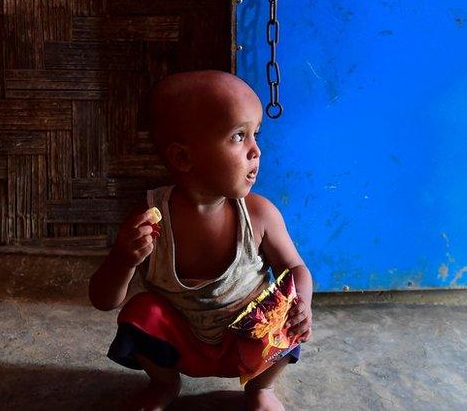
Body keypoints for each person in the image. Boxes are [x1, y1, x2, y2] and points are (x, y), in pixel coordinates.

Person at [89, 70, 313, 411]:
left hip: (248, 343)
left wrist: (303, 304)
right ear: (182, 158)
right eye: (239, 137)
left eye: (256, 134)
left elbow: (295, 268)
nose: (256, 151)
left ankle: (260, 390)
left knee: (285, 312)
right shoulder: (150, 219)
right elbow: (104, 300)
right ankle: (164, 385)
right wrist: (123, 258)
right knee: (139, 311)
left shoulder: (259, 215)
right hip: (182, 345)